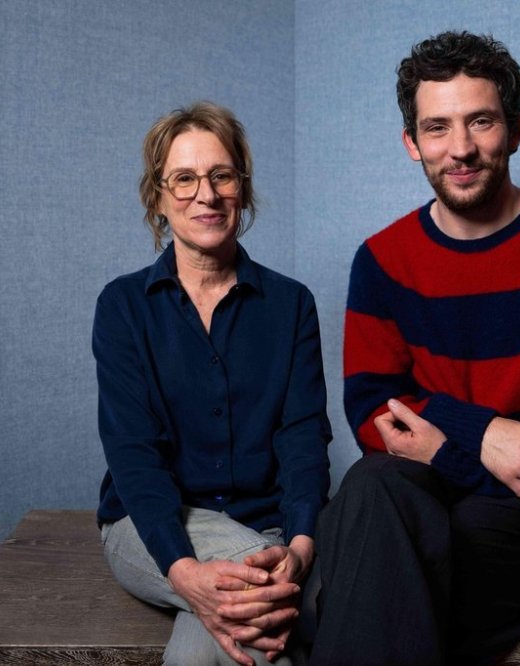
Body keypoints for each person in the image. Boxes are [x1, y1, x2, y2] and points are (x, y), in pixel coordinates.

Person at [311, 31, 520, 665]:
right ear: (412, 143)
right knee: (370, 488)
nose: (459, 149)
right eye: (437, 127)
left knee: (392, 548)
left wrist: (446, 448)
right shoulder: (382, 260)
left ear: (514, 130)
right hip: (420, 484)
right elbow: (374, 411)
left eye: (480, 122)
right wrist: (484, 434)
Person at [93, 101, 331, 666]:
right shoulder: (123, 306)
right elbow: (133, 455)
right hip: (149, 526)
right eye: (185, 178)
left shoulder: (291, 304)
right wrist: (185, 572)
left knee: (202, 654)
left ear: (242, 190)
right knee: (263, 600)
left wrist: (299, 545)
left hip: (269, 528)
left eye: (222, 175)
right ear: (158, 195)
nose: (207, 194)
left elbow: (302, 438)